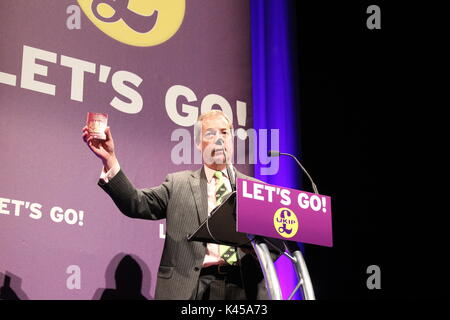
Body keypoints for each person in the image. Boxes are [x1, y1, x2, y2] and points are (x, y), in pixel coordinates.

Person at [82, 110, 268, 300]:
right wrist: (109, 159)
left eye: (224, 132)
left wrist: (254, 248)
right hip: (192, 286)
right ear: (198, 144)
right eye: (210, 134)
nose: (219, 139)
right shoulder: (178, 184)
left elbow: (276, 245)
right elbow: (135, 203)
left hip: (245, 286)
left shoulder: (256, 189)